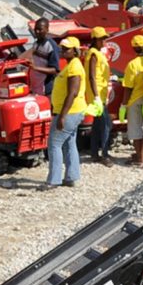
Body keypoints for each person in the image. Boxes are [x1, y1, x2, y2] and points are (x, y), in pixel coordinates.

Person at [46, 39, 87, 188]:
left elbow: (73, 93)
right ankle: (71, 177)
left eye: (67, 49)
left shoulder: (74, 67)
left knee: (54, 144)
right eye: (62, 48)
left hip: (70, 112)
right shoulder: (71, 65)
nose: (63, 51)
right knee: (69, 143)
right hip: (72, 111)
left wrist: (62, 115)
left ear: (75, 51)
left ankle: (54, 180)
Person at [120, 34, 143, 168]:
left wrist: (123, 105)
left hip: (135, 99)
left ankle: (139, 158)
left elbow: (128, 87)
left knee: (135, 129)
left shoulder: (132, 65)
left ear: (134, 48)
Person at [83, 28, 115, 164]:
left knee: (97, 124)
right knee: (106, 124)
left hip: (100, 93)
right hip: (97, 95)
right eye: (102, 39)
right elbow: (91, 76)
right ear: (95, 39)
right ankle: (105, 154)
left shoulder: (97, 53)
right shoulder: (94, 54)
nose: (104, 41)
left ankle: (94, 152)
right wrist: (96, 96)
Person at [26, 17, 60, 97]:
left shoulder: (51, 46)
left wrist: (35, 67)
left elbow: (55, 70)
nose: (37, 32)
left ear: (47, 30)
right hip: (35, 89)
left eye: (40, 29)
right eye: (35, 29)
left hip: (46, 90)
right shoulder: (36, 44)